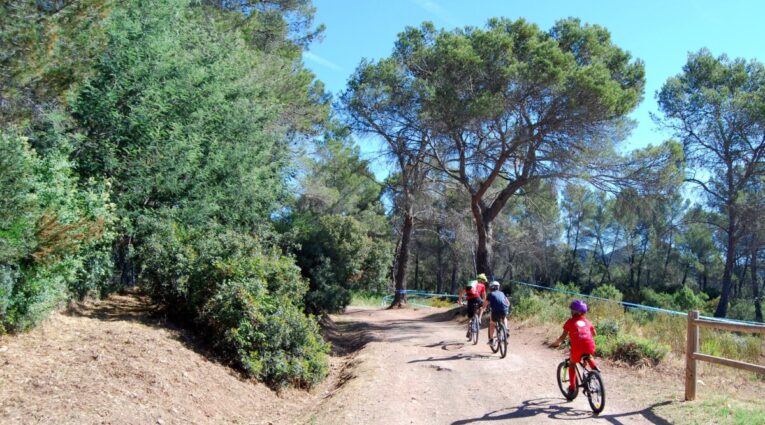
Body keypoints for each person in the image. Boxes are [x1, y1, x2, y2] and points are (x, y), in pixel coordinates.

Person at [550, 299, 599, 395]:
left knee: (572, 364)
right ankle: (595, 369)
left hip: (577, 348)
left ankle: (572, 387)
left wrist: (555, 344)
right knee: (588, 355)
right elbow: (594, 334)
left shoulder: (570, 322)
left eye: (571, 310)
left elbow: (562, 338)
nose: (571, 312)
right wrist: (585, 336)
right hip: (590, 345)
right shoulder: (587, 322)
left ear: (574, 312)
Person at [458, 274, 488, 339]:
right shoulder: (482, 285)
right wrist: (484, 305)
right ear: (482, 280)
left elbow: (461, 293)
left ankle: (468, 330)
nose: (484, 282)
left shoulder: (470, 285)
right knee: (482, 307)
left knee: (470, 317)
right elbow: (484, 296)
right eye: (484, 281)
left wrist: (460, 301)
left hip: (470, 301)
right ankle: (479, 319)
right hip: (477, 298)